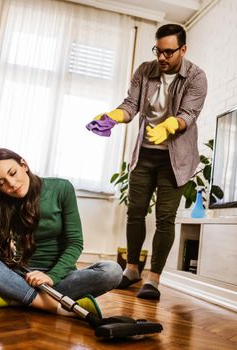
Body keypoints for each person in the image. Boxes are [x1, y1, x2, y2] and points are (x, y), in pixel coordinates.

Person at [88, 24, 207, 300]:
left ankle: (153, 279)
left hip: (175, 159)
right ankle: (131, 270)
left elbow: (189, 114)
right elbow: (131, 104)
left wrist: (170, 125)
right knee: (135, 212)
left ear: (183, 49)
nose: (162, 58)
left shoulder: (196, 77)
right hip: (145, 154)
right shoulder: (145, 70)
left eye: (168, 52)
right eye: (158, 51)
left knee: (165, 218)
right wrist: (113, 117)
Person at [0, 148, 122, 319]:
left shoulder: (61, 188)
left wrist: (51, 277)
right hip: (22, 276)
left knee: (112, 271)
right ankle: (50, 305)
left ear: (24, 165)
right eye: (1, 183)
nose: (11, 184)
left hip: (61, 277)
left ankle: (15, 298)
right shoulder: (1, 200)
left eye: (13, 173)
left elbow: (75, 242)